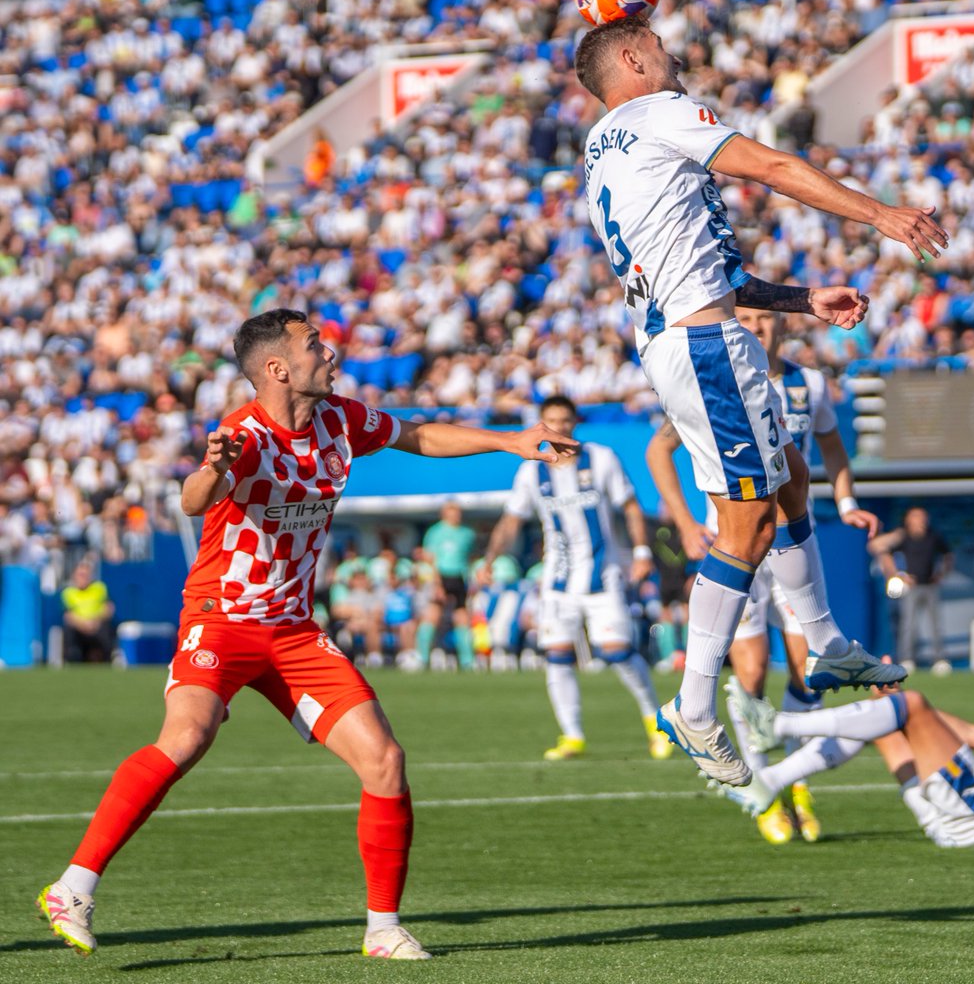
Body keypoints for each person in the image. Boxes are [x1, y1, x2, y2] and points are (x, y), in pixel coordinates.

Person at [37, 308, 577, 961]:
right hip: (222, 618)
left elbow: (419, 436)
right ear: (278, 368)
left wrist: (508, 441)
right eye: (315, 344)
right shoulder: (244, 434)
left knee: (385, 760)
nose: (331, 351)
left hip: (292, 631)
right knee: (186, 737)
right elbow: (192, 498)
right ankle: (73, 887)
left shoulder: (339, 418)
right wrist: (212, 468)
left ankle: (383, 928)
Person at [574, 13, 945, 782]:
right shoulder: (663, 113)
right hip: (704, 346)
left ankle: (827, 643)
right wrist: (880, 215)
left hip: (685, 336)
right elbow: (772, 166)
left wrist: (804, 299)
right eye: (665, 49)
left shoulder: (603, 146)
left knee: (790, 479)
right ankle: (695, 704)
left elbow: (720, 277)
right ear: (635, 57)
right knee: (742, 527)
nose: (678, 60)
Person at [646, 308, 880, 843]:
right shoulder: (718, 376)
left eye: (764, 318)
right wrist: (684, 523)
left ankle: (793, 780)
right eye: (745, 316)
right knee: (750, 672)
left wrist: (845, 502)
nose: (756, 326)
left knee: (808, 671)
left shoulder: (810, 385)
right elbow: (659, 449)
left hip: (794, 547)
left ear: (783, 326)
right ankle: (759, 789)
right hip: (739, 550)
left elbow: (833, 446)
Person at [727, 647, 974, 849]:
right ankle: (772, 778)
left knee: (908, 708)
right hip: (955, 819)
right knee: (885, 713)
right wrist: (896, 703)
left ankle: (778, 725)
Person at [480, 395, 673, 761]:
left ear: (575, 423)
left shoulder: (600, 459)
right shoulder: (531, 471)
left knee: (616, 652)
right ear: (541, 423)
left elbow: (630, 507)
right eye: (551, 420)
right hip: (556, 581)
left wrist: (642, 553)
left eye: (565, 421)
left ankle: (656, 722)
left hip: (604, 575)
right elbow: (511, 520)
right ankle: (572, 735)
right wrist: (490, 558)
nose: (559, 428)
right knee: (557, 655)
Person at [868, 507, 952, 674]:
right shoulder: (902, 536)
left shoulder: (934, 536)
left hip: (930, 585)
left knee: (935, 624)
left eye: (922, 517)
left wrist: (942, 574)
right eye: (916, 517)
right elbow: (878, 549)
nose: (920, 521)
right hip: (911, 587)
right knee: (908, 624)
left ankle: (939, 660)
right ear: (908, 519)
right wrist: (898, 575)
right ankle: (907, 659)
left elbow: (948, 554)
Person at [417, 501, 477, 670]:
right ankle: (422, 658)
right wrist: (436, 583)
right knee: (432, 615)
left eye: (458, 511)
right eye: (452, 511)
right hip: (441, 576)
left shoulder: (467, 533)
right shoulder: (436, 532)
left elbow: (469, 557)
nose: (456, 514)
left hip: (459, 576)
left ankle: (467, 661)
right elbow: (430, 558)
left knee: (462, 617)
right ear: (444, 513)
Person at [60, 559, 116, 664]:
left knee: (106, 629)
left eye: (85, 575)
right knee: (69, 630)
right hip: (79, 628)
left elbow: (109, 608)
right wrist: (83, 624)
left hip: (97, 626)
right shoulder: (68, 593)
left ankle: (108, 659)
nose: (83, 578)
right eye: (80, 575)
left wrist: (95, 621)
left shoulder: (99, 588)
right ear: (74, 576)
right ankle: (70, 661)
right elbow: (68, 615)